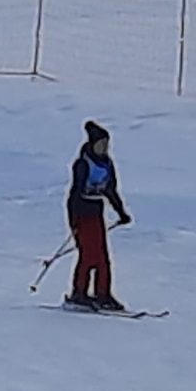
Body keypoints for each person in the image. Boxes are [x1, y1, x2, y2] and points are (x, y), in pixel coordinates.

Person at [65, 121, 134, 311]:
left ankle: (103, 294)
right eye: (100, 144)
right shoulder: (82, 164)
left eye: (106, 144)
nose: (104, 148)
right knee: (88, 255)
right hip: (81, 213)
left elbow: (111, 191)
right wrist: (75, 222)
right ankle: (79, 293)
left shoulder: (107, 164)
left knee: (102, 257)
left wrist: (121, 213)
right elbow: (76, 192)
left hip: (96, 212)